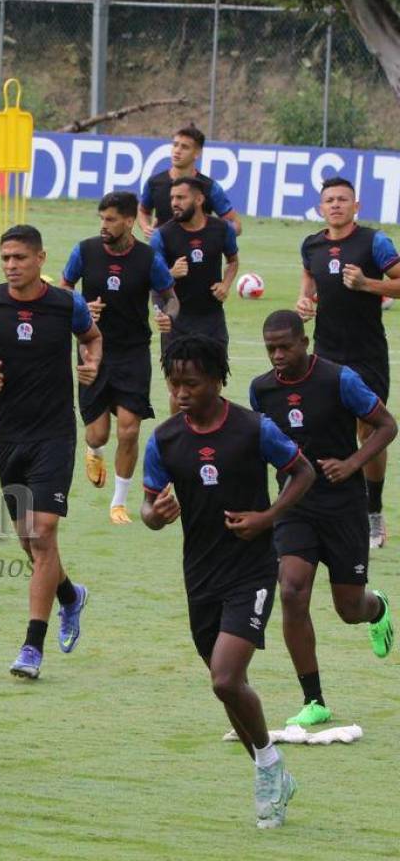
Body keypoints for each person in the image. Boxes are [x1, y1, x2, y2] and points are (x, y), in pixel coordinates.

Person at [141, 333, 314, 829]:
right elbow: (149, 508)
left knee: (224, 676)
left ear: (217, 380)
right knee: (227, 688)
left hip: (252, 571)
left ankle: (267, 771)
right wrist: (157, 513)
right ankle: (270, 769)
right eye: (173, 384)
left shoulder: (253, 429)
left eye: (190, 384)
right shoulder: (166, 440)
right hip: (200, 576)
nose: (180, 394)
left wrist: (268, 518)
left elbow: (301, 473)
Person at [0, 225, 100, 680]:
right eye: (5, 258)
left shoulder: (66, 303)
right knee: (30, 542)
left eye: (19, 257)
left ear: (41, 258)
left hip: (55, 434)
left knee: (41, 533)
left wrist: (91, 362)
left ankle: (31, 648)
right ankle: (70, 596)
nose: (11, 265)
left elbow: (91, 337)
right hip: (7, 435)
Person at [250, 310, 394, 726]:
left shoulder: (339, 379)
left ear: (304, 342)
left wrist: (351, 465)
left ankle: (377, 608)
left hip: (343, 505)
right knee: (292, 591)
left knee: (349, 608)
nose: (277, 355)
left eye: (284, 346)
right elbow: (264, 445)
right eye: (270, 348)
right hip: (296, 505)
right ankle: (314, 699)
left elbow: (386, 426)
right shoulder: (261, 390)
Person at [296, 177, 400, 549]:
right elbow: (307, 285)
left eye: (343, 199)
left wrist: (369, 285)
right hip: (326, 353)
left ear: (356, 206)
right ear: (321, 207)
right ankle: (325, 508)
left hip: (367, 354)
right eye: (329, 200)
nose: (336, 204)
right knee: (323, 428)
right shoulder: (311, 245)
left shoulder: (374, 242)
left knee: (369, 432)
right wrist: (304, 304)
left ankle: (373, 514)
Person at [62, 191, 176, 524]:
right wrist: (80, 308)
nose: (104, 225)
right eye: (101, 218)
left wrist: (168, 314)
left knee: (128, 431)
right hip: (92, 349)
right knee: (98, 433)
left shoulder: (148, 258)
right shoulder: (84, 251)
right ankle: (94, 451)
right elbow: (64, 289)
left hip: (133, 353)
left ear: (128, 221)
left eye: (110, 219)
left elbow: (169, 297)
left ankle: (118, 503)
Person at [150, 177, 239, 410]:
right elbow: (153, 278)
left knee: (213, 386)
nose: (174, 203)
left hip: (211, 321)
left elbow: (233, 261)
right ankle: (179, 442)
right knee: (179, 391)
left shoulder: (221, 230)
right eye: (172, 198)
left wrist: (226, 285)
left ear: (199, 199)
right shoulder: (162, 235)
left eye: (181, 197)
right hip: (177, 323)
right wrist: (171, 272)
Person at [138, 124, 241, 237]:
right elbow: (143, 211)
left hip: (198, 252)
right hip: (164, 253)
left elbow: (235, 224)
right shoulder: (154, 183)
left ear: (197, 153)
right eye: (175, 145)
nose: (177, 150)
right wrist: (146, 228)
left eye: (185, 147)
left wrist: (215, 235)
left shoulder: (210, 187)